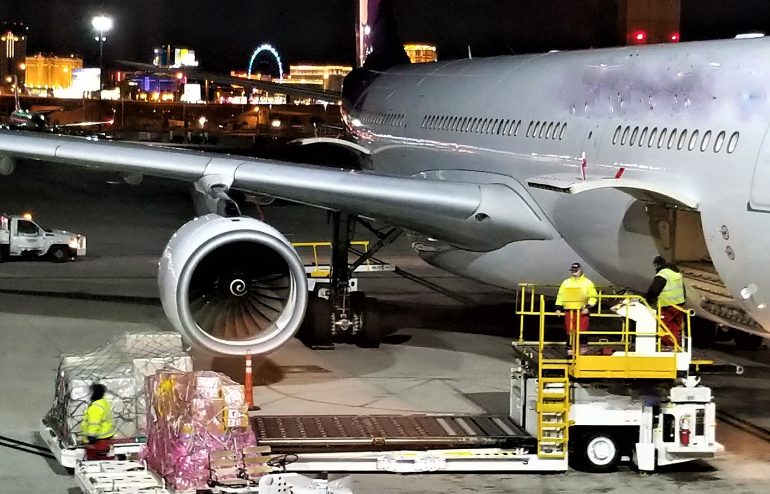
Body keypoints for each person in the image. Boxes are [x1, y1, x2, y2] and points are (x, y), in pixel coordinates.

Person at [555, 262, 598, 355]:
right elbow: (560, 296)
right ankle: (570, 353)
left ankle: (582, 352)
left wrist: (588, 306)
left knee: (582, 330)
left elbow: (593, 296)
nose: (574, 272)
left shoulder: (587, 282)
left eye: (576, 270)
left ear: (580, 270)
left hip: (582, 310)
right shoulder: (566, 282)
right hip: (569, 310)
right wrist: (558, 308)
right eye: (572, 271)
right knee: (569, 331)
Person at [645, 256, 686, 348]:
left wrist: (647, 300)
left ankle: (666, 346)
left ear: (656, 265)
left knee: (665, 326)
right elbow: (683, 289)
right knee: (675, 326)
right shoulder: (676, 273)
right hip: (678, 305)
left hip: (667, 305)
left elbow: (654, 290)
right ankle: (675, 345)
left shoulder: (662, 274)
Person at [81, 383, 115, 461]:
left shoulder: (95, 407)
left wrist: (91, 437)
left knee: (94, 461)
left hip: (97, 440)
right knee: (105, 458)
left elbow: (94, 423)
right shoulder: (104, 403)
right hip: (106, 437)